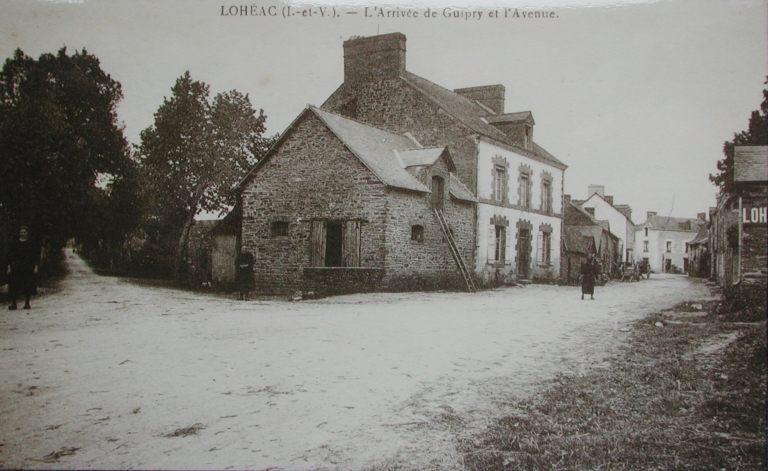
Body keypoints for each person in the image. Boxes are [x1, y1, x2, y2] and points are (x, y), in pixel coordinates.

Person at [6, 226, 39, 310]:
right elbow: (10, 256)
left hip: (27, 267)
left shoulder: (31, 244)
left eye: (24, 232)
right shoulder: (14, 243)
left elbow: (35, 256)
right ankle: (14, 304)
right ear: (19, 233)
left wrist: (35, 267)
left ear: (27, 234)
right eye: (21, 232)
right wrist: (9, 267)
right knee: (14, 285)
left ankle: (27, 303)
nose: (23, 234)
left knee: (27, 285)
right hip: (16, 267)